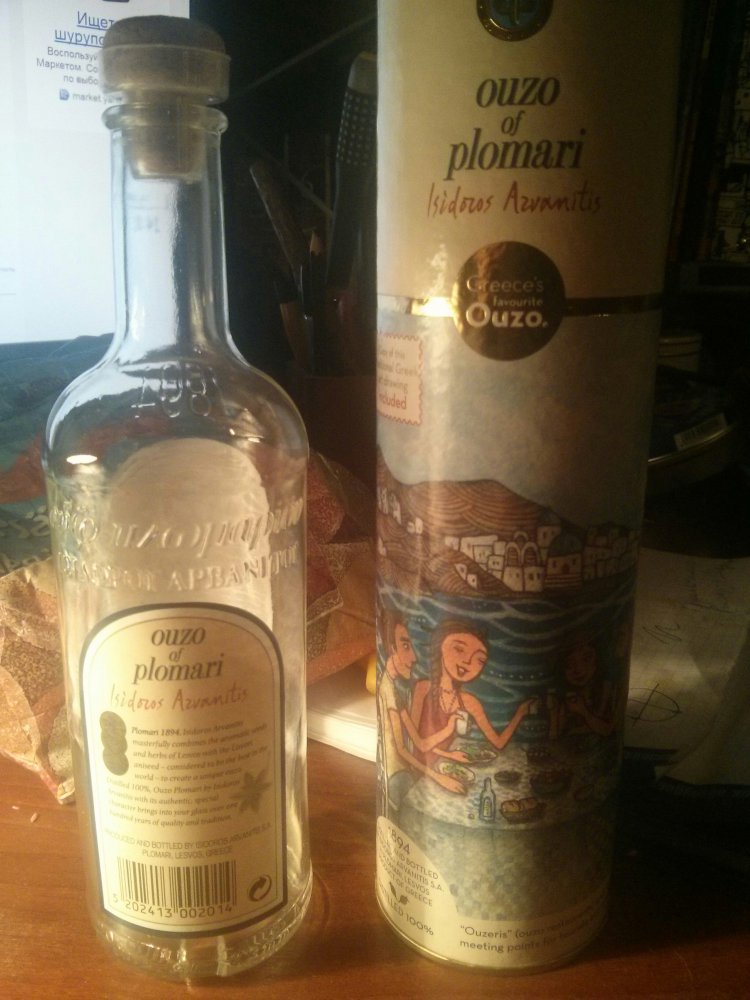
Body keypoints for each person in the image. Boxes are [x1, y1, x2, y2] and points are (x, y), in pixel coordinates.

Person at [403, 619, 536, 773]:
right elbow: (416, 743)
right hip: (421, 771)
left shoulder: (469, 701)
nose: (467, 661)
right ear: (441, 646)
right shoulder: (423, 688)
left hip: (447, 767)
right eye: (459, 649)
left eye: (479, 660)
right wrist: (449, 734)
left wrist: (519, 714)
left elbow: (498, 743)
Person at [377, 609, 464, 814]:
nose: (414, 657)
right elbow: (402, 750)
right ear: (391, 649)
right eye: (405, 646)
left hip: (406, 772)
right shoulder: (386, 690)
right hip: (397, 779)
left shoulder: (394, 690)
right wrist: (439, 778)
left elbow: (420, 743)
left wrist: (449, 748)